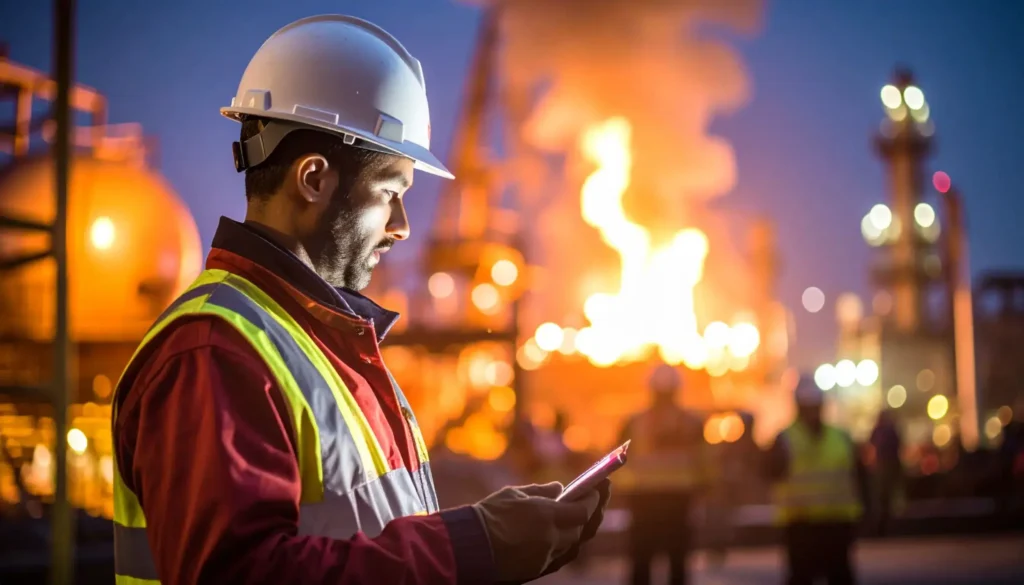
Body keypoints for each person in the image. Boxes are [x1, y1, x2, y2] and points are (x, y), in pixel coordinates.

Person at [109, 15, 608, 585]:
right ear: (314, 179)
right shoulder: (214, 353)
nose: (401, 227)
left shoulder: (316, 346)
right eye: (391, 193)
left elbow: (365, 531)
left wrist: (492, 531)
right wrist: (474, 546)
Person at [765, 375, 867, 585]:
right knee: (802, 577)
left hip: (837, 522)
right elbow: (769, 472)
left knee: (839, 576)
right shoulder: (784, 439)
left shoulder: (841, 437)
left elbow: (860, 477)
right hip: (801, 524)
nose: (812, 411)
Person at [616, 363, 711, 585]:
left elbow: (617, 460)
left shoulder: (634, 422)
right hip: (678, 498)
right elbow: (706, 460)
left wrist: (620, 489)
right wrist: (707, 485)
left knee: (641, 560)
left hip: (643, 498)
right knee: (677, 560)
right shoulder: (692, 422)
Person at [866, 409, 903, 536]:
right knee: (887, 498)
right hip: (889, 467)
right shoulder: (891, 430)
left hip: (884, 467)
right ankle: (888, 526)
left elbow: (872, 447)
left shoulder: (880, 430)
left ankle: (883, 527)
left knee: (882, 498)